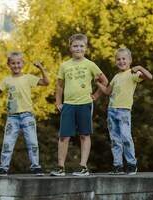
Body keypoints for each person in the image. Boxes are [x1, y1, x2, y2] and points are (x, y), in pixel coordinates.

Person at [50, 33, 108, 177]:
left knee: (84, 135)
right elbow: (59, 86)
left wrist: (95, 96)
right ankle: (60, 167)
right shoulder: (65, 65)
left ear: (86, 48)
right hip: (68, 104)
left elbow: (105, 82)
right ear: (70, 48)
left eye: (81, 46)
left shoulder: (90, 64)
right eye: (75, 46)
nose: (78, 48)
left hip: (85, 104)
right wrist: (58, 102)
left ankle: (83, 167)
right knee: (64, 136)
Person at [0, 51, 49, 177]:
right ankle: (3, 168)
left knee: (32, 142)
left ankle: (36, 167)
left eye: (18, 63)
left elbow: (46, 82)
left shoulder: (28, 78)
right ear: (8, 64)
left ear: (23, 63)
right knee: (7, 143)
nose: (16, 65)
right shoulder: (6, 80)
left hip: (27, 116)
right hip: (12, 117)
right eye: (13, 63)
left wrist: (41, 67)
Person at [95, 47, 153, 175]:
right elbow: (107, 92)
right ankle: (117, 166)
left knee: (126, 136)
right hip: (111, 111)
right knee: (115, 139)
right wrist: (98, 83)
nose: (121, 61)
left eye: (123, 59)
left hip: (124, 111)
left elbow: (150, 77)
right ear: (116, 61)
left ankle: (132, 164)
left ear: (129, 60)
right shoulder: (116, 77)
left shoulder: (133, 74)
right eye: (118, 59)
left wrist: (139, 67)